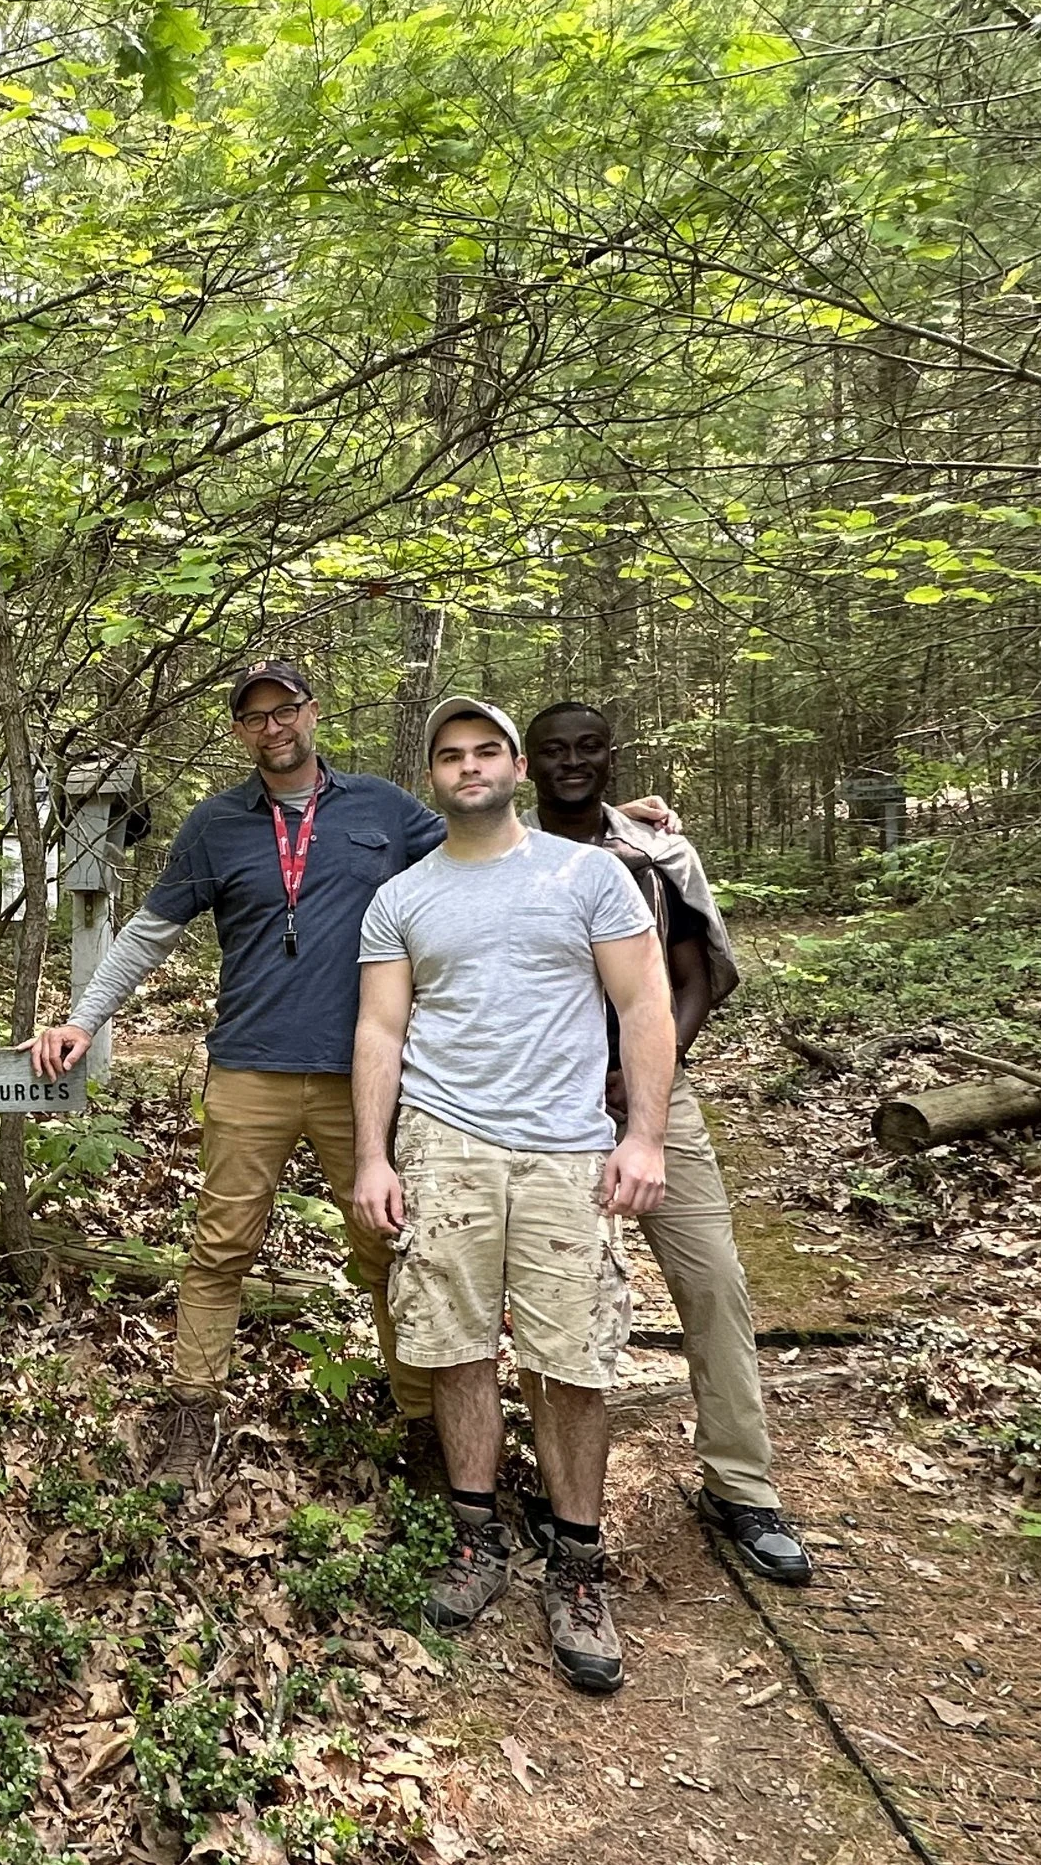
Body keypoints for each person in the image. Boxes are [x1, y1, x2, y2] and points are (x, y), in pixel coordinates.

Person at [28, 660, 674, 1493]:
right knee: (219, 1248)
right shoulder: (214, 824)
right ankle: (194, 1409)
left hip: (366, 1080)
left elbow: (487, 837)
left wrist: (614, 821)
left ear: (311, 713)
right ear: (239, 731)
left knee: (391, 1252)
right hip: (250, 1068)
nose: (273, 726)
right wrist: (85, 1015)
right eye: (254, 716)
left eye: (286, 709)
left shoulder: (380, 808)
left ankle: (425, 1426)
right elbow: (152, 932)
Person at [350, 698, 674, 1696]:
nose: (469, 767)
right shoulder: (401, 897)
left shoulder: (589, 876)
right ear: (432, 777)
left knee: (571, 1357)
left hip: (564, 1151)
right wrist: (374, 1155)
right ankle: (476, 1538)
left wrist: (644, 1137)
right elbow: (380, 1034)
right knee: (451, 1346)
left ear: (517, 767)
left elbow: (642, 1003)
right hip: (442, 1147)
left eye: (485, 750)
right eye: (450, 756)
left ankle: (577, 1565)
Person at [524, 701, 813, 1584]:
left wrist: (646, 1072)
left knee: (712, 1278)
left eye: (589, 748)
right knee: (555, 1296)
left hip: (656, 1103)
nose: (572, 763)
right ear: (527, 764)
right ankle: (559, 1491)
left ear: (613, 757)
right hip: (544, 1107)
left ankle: (741, 1484)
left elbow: (695, 979)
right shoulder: (501, 851)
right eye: (554, 751)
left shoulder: (658, 852)